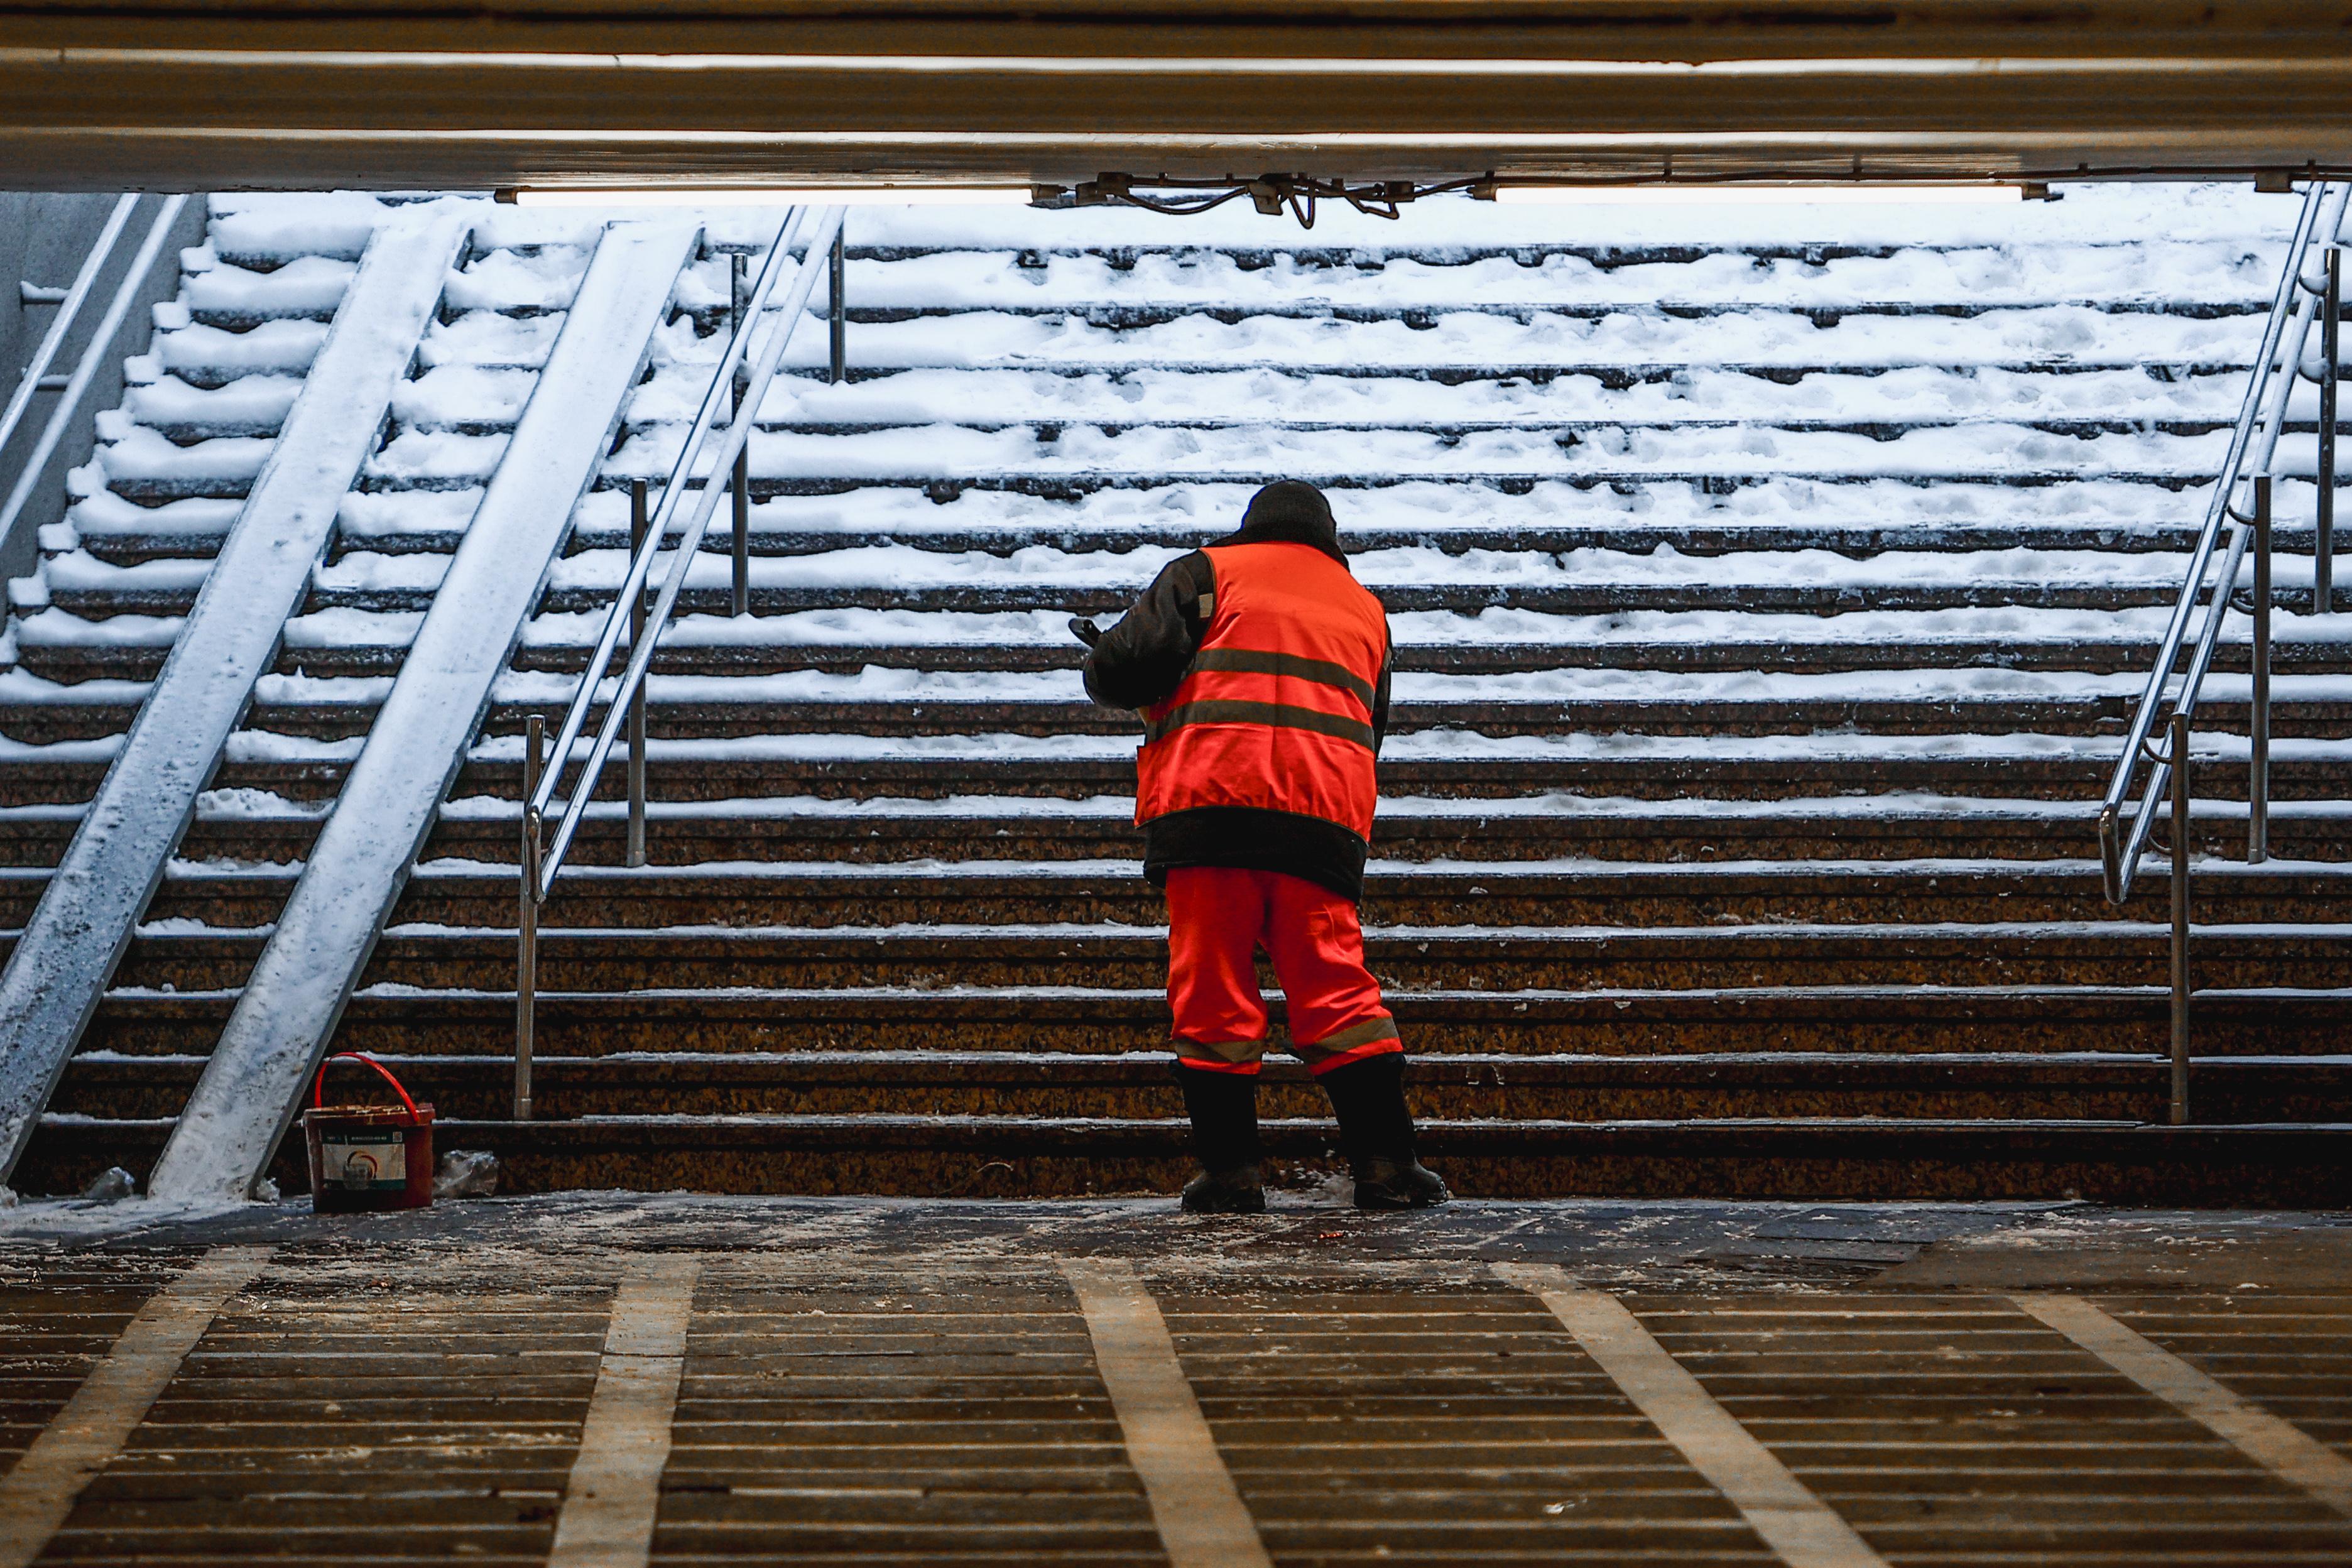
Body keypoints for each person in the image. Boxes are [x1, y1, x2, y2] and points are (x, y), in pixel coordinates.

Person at [1076, 479, 1449, 1214]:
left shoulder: (1207, 572)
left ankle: (1232, 1173)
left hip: (1211, 812)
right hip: (1319, 820)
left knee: (1211, 987)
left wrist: (1107, 659)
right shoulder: (1365, 609)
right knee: (1337, 987)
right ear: (1327, 539)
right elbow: (1371, 722)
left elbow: (1126, 668)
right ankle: (1388, 1166)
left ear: (1253, 529)